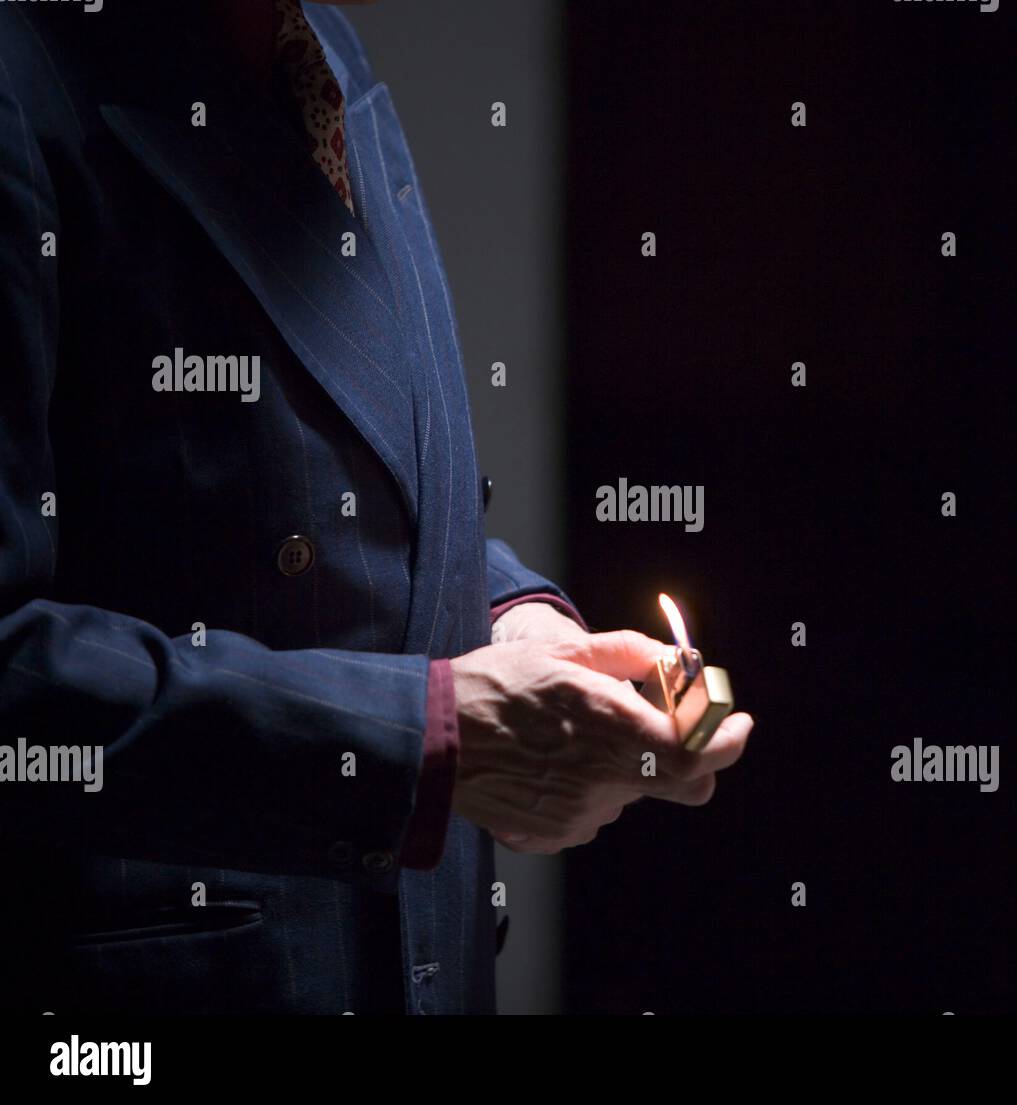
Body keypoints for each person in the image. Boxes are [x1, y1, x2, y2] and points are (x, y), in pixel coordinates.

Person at [0, 0, 752, 1015]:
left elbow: (324, 488)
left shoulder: (317, 49)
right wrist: (428, 741)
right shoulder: (21, 79)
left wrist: (512, 619)